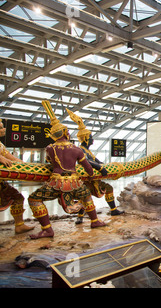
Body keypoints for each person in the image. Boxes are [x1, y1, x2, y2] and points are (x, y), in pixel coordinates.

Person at [27, 101, 106, 239]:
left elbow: (49, 162)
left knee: (34, 199)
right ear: (65, 133)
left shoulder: (50, 148)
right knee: (86, 196)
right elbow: (88, 167)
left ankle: (47, 229)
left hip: (55, 183)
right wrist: (92, 175)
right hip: (75, 182)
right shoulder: (76, 149)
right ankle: (94, 221)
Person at [67, 109, 124, 224]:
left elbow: (96, 160)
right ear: (86, 138)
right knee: (85, 196)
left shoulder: (88, 150)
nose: (92, 139)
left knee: (108, 189)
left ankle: (113, 210)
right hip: (86, 179)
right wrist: (100, 168)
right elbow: (86, 162)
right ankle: (80, 217)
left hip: (94, 179)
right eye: (91, 137)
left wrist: (103, 165)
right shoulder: (80, 150)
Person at [0, 119, 34, 234]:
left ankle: (19, 225)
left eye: (2, 127)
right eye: (0, 128)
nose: (4, 129)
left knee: (18, 198)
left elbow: (13, 159)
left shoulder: (1, 146)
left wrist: (29, 166)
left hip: (1, 183)